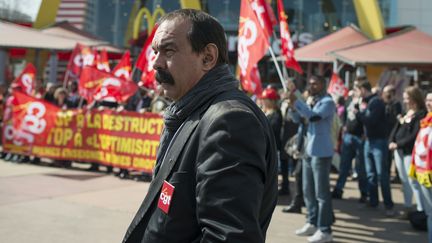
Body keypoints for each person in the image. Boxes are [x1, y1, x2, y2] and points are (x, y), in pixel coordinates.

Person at [122, 9, 278, 243]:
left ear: (207, 57)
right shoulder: (191, 111)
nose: (155, 63)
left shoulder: (230, 121)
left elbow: (229, 237)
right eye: (155, 52)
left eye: (169, 51)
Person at [288, 76, 335, 243]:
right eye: (311, 83)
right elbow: (298, 119)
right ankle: (312, 222)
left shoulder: (327, 101)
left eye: (316, 83)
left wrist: (297, 102)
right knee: (308, 190)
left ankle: (325, 230)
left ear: (323, 84)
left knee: (322, 194)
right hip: (308, 150)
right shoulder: (311, 99)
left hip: (321, 151)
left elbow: (314, 117)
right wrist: (293, 107)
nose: (312, 85)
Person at [355, 81, 395, 216]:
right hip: (369, 141)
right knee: (371, 174)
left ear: (362, 89)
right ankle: (373, 202)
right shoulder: (368, 102)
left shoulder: (376, 102)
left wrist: (358, 114)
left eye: (357, 90)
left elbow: (371, 120)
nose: (356, 93)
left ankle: (388, 205)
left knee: (381, 174)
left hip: (378, 142)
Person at [388, 86, 426, 218]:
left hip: (410, 152)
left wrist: (397, 143)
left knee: (413, 182)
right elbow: (396, 128)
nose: (404, 101)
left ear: (413, 99)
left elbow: (414, 135)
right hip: (399, 152)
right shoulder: (407, 112)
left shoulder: (421, 114)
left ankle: (422, 210)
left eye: (406, 98)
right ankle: (408, 207)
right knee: (404, 181)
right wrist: (391, 141)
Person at [332, 83, 368, 203]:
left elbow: (366, 119)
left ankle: (364, 192)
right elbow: (344, 116)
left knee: (360, 167)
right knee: (344, 165)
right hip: (348, 137)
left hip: (359, 138)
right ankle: (338, 189)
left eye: (357, 89)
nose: (355, 92)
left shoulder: (366, 102)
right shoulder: (349, 102)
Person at [410, 92, 432, 243]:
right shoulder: (425, 121)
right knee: (430, 212)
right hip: (424, 171)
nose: (429, 103)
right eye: (428, 100)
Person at [260, 87, 285, 194]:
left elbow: (272, 129)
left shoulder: (276, 114)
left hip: (272, 147)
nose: (262, 101)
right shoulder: (265, 112)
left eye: (264, 99)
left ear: (270, 101)